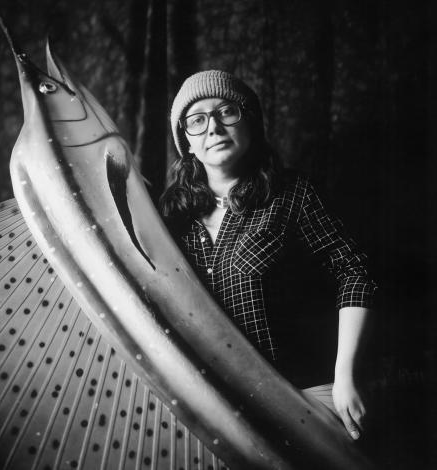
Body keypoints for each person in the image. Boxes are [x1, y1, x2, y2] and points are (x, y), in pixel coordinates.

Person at [160, 70, 377, 441]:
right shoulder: (171, 220)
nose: (213, 127)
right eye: (197, 120)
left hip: (301, 399)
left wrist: (346, 375)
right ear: (187, 141)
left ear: (251, 122)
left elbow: (354, 272)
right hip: (211, 414)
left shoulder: (292, 195)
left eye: (226, 111)